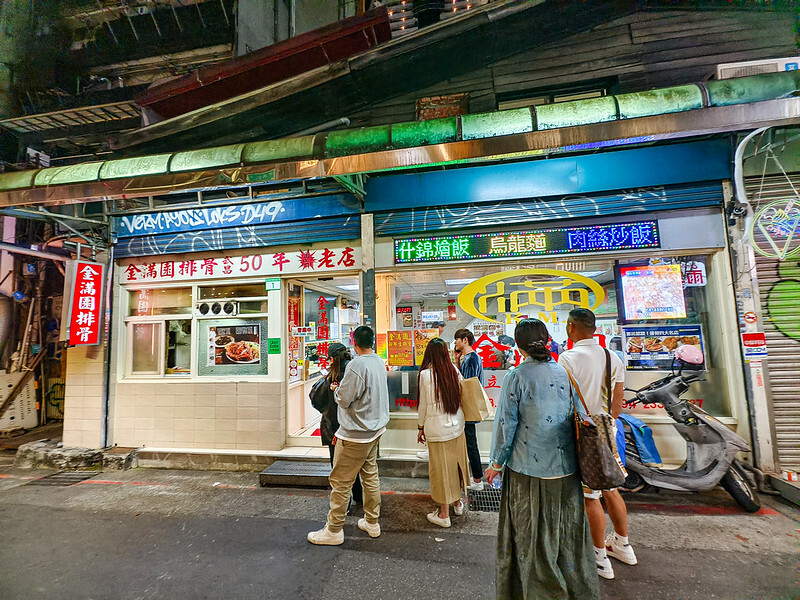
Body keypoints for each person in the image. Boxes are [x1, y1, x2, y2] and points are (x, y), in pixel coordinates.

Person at [484, 319, 600, 600]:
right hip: (567, 471)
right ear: (547, 339)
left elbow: (506, 426)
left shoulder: (516, 377)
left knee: (533, 540)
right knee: (567, 538)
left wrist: (496, 464)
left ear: (519, 345)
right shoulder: (562, 372)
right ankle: (575, 590)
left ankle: (543, 593)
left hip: (529, 471)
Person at [558, 308, 636, 580]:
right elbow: (618, 400)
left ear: (571, 327)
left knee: (591, 496)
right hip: (608, 428)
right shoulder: (611, 356)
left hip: (584, 431)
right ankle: (623, 545)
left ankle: (600, 557)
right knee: (612, 488)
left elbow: (565, 400)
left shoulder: (567, 358)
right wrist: (607, 424)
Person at [307, 326, 390, 546]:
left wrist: (336, 390)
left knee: (341, 482)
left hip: (355, 434)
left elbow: (343, 399)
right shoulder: (378, 362)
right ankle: (372, 522)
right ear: (372, 341)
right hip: (375, 431)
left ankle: (333, 530)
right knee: (370, 475)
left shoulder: (357, 365)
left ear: (354, 342)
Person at [417, 338, 469, 528]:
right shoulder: (453, 371)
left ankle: (444, 514)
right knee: (456, 466)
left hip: (437, 429)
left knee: (441, 471)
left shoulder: (425, 375)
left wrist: (420, 427)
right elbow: (464, 393)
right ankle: (457, 504)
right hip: (457, 426)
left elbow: (423, 406)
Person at [309, 342, 363, 510]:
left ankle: (342, 505)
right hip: (355, 428)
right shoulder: (355, 374)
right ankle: (359, 497)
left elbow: (316, 400)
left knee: (338, 469)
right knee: (354, 466)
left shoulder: (330, 379)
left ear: (332, 359)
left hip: (334, 430)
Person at [454, 328, 485, 491]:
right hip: (468, 407)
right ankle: (475, 477)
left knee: (471, 443)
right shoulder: (470, 357)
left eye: (457, 340)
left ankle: (478, 479)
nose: (455, 343)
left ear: (465, 340)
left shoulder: (471, 358)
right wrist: (458, 361)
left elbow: (467, 384)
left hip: (468, 408)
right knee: (470, 442)